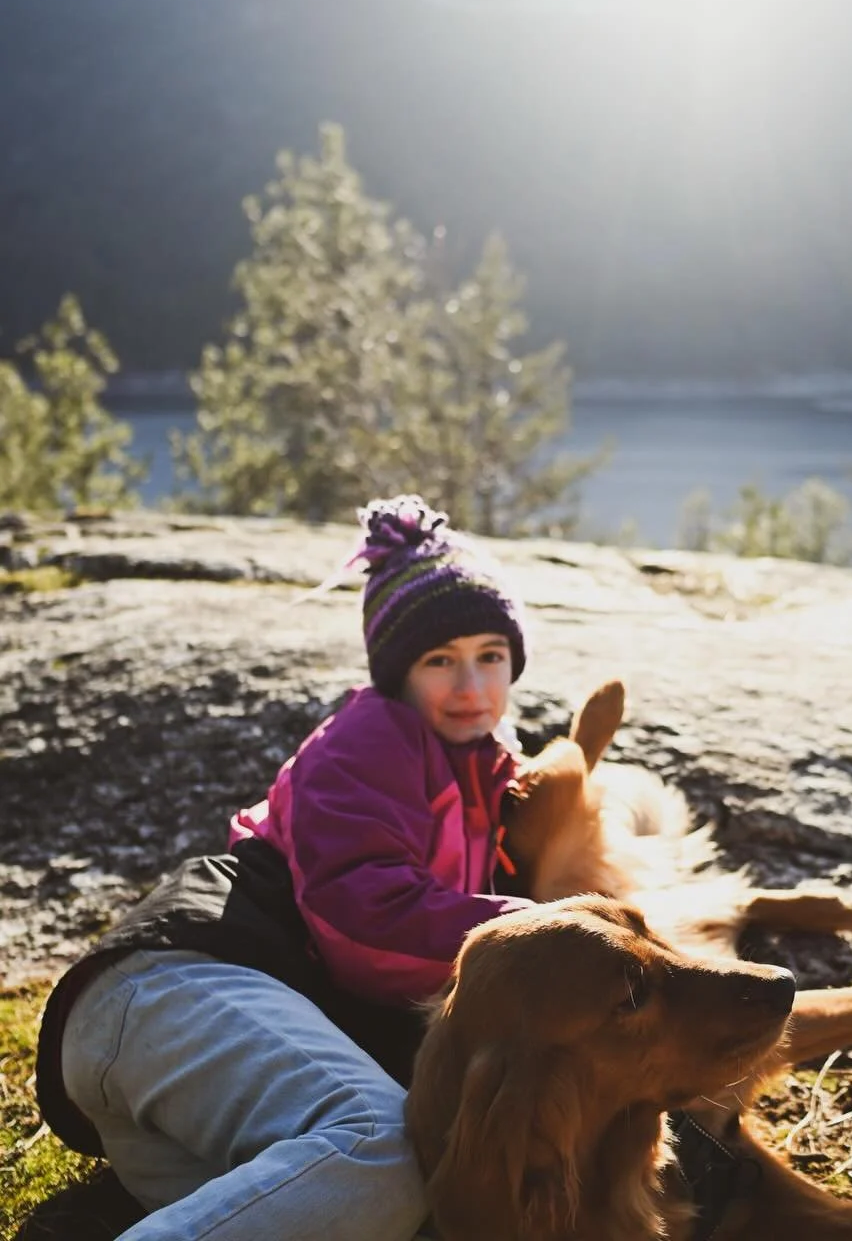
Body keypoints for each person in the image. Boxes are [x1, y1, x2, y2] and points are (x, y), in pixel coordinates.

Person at [33, 495, 534, 1241]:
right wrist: (550, 925)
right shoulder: (374, 736)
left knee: (387, 1216)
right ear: (398, 674)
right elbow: (365, 922)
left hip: (169, 1063)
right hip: (178, 986)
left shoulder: (484, 780)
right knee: (380, 1150)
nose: (471, 687)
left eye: (490, 655)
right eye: (440, 661)